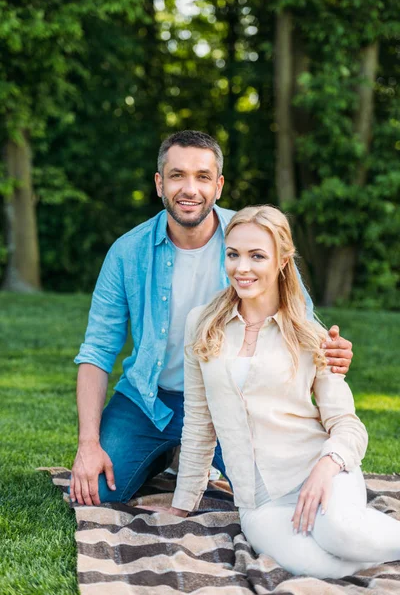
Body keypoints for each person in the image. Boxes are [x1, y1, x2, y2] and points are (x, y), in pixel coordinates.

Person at [69, 131, 354, 507]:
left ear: (218, 185)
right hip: (146, 400)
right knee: (96, 494)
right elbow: (97, 351)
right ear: (159, 183)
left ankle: (189, 460)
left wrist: (330, 354)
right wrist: (88, 444)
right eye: (177, 175)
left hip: (233, 397)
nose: (190, 188)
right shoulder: (126, 252)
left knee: (276, 498)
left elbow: (298, 319)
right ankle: (165, 456)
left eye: (202, 176)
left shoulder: (254, 237)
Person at [161, 205, 400, 579]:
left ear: (283, 261)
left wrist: (327, 466)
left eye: (257, 256)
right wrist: (182, 505)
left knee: (342, 533)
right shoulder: (201, 324)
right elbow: (199, 423)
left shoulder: (310, 335)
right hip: (258, 504)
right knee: (321, 567)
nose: (242, 268)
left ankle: (359, 527)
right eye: (233, 254)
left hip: (319, 472)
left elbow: (348, 425)